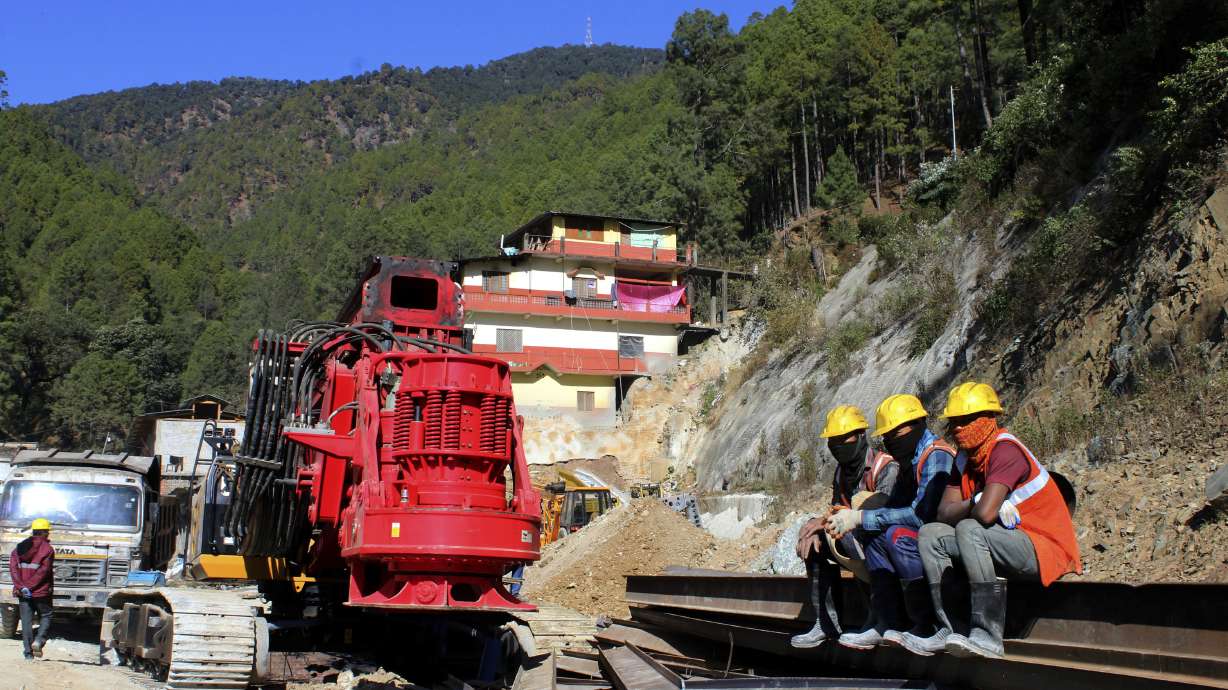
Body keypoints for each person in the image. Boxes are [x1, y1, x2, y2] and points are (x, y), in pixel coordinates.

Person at [915, 382, 1082, 659]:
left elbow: (985, 515)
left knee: (970, 528)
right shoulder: (964, 460)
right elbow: (942, 514)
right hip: (1003, 541)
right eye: (954, 422)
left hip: (1043, 547)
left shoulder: (1005, 450)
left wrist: (977, 505)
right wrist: (976, 499)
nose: (958, 428)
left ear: (989, 419)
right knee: (930, 534)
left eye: (967, 420)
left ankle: (987, 634)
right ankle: (951, 628)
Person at [829, 394, 955, 652]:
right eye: (887, 435)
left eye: (895, 433)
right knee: (875, 534)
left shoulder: (935, 456)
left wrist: (860, 516)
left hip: (943, 535)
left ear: (917, 423)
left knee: (895, 535)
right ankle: (887, 622)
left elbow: (921, 514)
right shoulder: (909, 460)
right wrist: (859, 522)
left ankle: (925, 623)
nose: (890, 440)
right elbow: (893, 506)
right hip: (924, 534)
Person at [790, 405, 897, 649]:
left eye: (844, 438)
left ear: (861, 436)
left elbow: (884, 514)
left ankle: (878, 617)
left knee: (849, 535)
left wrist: (830, 522)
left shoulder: (885, 468)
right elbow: (837, 508)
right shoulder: (842, 471)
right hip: (855, 540)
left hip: (882, 545)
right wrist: (817, 526)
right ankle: (826, 623)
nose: (838, 445)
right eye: (833, 440)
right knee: (816, 541)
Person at [10, 518, 55, 660]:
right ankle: (39, 640)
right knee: (46, 615)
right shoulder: (47, 549)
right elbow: (44, 571)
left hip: (22, 592)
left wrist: (20, 586)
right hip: (41, 592)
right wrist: (29, 587)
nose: (48, 534)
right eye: (47, 532)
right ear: (43, 532)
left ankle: (28, 654)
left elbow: (13, 569)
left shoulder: (19, 548)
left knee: (26, 621)